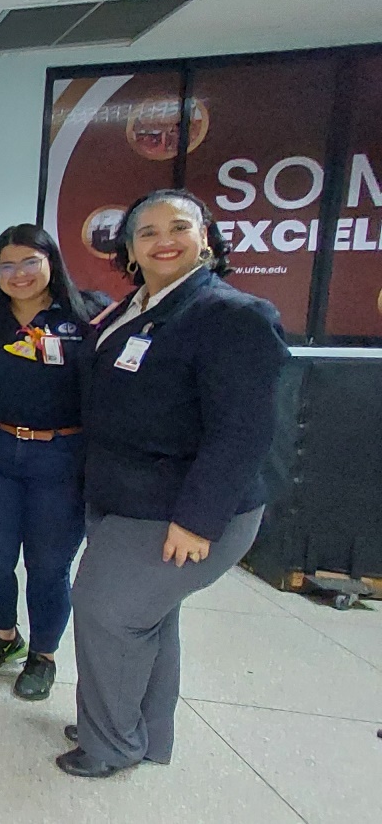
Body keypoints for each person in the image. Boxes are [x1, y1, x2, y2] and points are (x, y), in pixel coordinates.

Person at [58, 190, 286, 778]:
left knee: (109, 613)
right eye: (147, 231)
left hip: (176, 509)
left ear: (204, 237)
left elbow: (244, 432)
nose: (164, 239)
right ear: (130, 250)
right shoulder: (137, 308)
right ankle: (142, 731)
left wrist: (197, 520)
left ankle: (109, 745)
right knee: (146, 618)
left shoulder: (232, 315)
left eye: (178, 227)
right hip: (123, 496)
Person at [0, 224, 99, 701]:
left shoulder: (87, 316)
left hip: (61, 458)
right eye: (7, 265)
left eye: (29, 263)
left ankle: (44, 655)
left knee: (47, 566)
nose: (18, 274)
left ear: (51, 264)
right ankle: (3, 635)